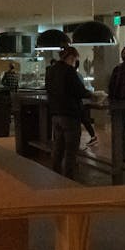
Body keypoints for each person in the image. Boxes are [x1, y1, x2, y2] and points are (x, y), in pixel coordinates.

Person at [46, 45, 91, 178]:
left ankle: (56, 175)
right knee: (71, 151)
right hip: (70, 115)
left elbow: (48, 88)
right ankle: (68, 178)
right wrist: (91, 95)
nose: (74, 62)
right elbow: (79, 91)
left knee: (58, 148)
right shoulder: (69, 71)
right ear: (71, 57)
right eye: (75, 59)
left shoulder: (51, 70)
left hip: (55, 114)